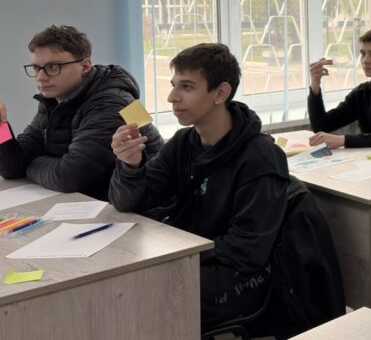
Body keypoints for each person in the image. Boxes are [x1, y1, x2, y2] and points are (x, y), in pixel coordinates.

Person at [109, 44, 292, 331]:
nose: (172, 97)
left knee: (135, 298)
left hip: (238, 275)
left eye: (187, 87)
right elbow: (130, 201)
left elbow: (247, 251)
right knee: (117, 290)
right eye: (173, 85)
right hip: (194, 258)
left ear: (220, 93)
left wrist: (175, 255)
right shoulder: (184, 142)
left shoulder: (260, 157)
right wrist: (130, 166)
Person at [0, 25, 161, 200]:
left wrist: (30, 165)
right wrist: (1, 127)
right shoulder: (53, 100)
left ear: (85, 66)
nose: (41, 77)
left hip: (145, 206)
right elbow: (11, 167)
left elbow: (69, 177)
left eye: (53, 67)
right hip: (93, 202)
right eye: (36, 68)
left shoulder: (113, 103)